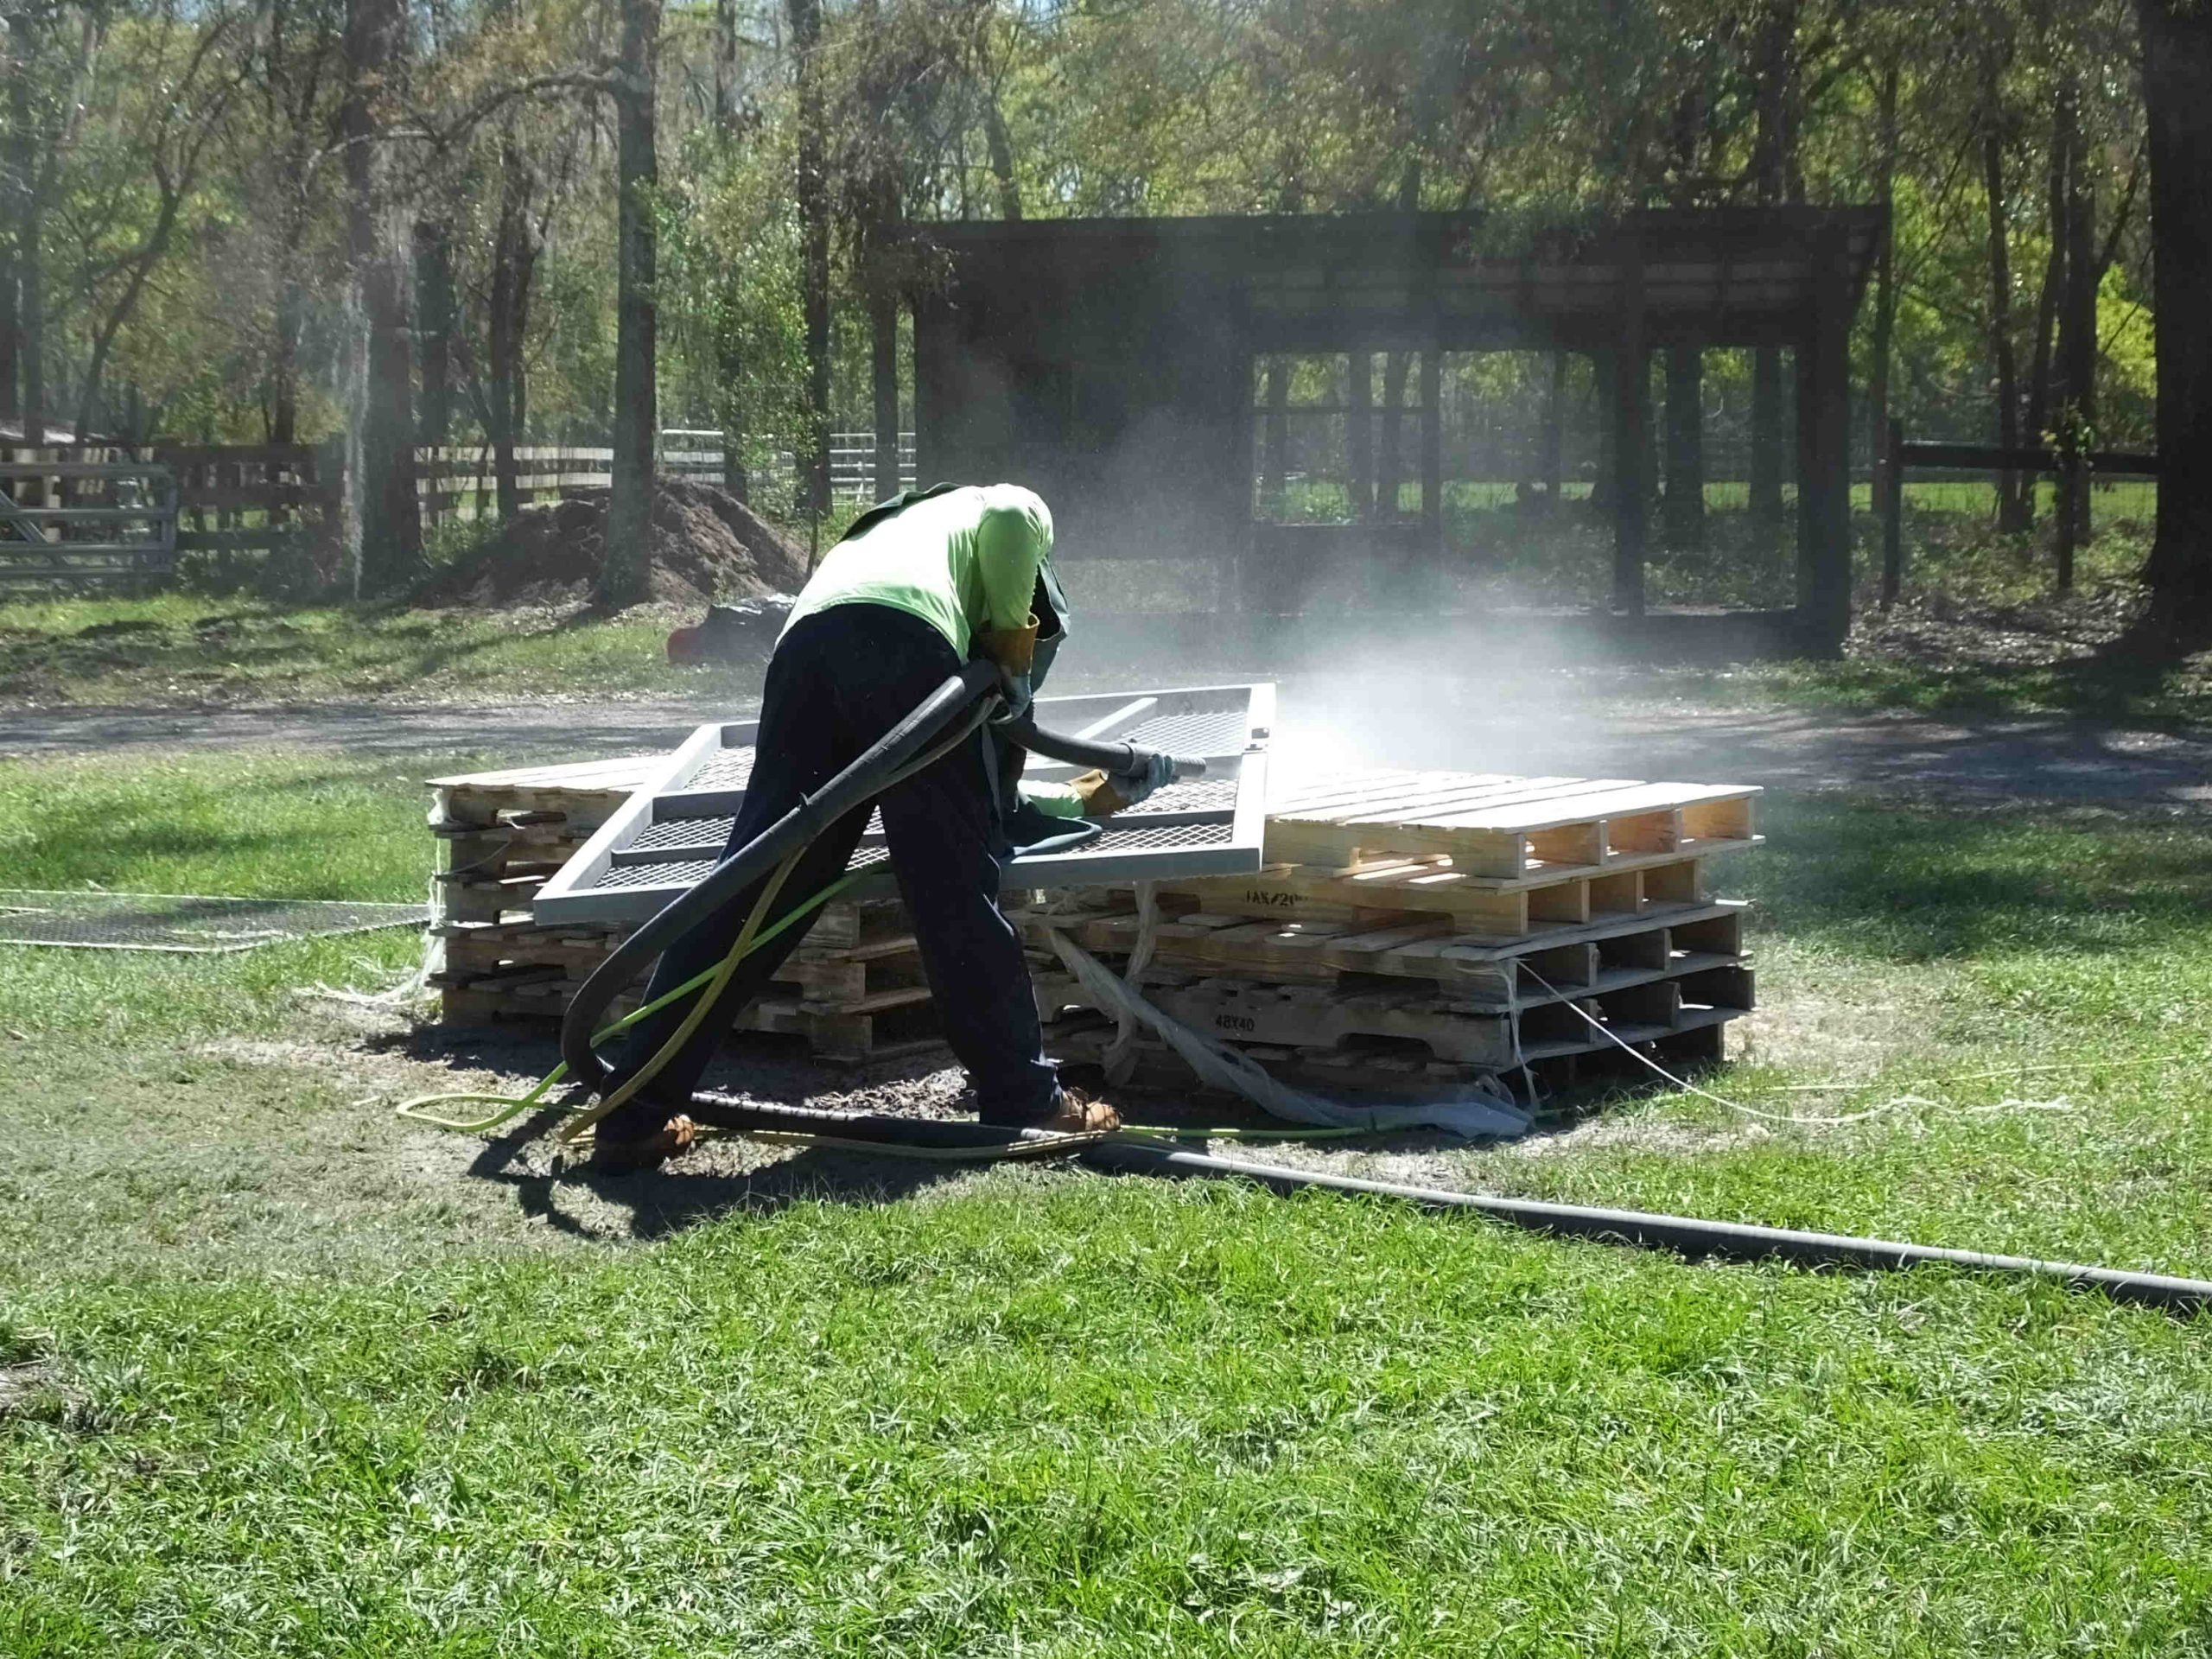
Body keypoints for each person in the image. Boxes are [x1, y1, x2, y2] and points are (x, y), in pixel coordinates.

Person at [589, 483, 1164, 1173]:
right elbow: (1014, 521)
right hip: (907, 650)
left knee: (755, 887)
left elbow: (995, 779)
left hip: (804, 652)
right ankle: (1026, 1100)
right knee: (951, 887)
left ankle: (634, 1110)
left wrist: (1078, 797)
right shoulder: (1004, 505)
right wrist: (1012, 655)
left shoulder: (903, 531)